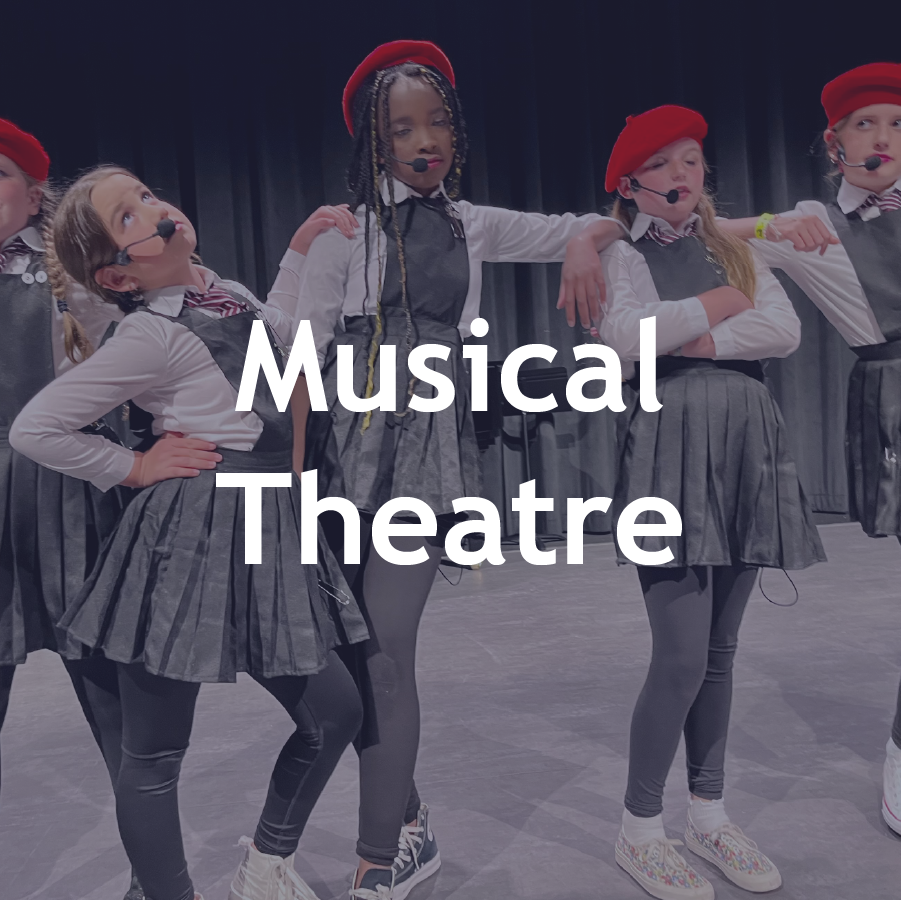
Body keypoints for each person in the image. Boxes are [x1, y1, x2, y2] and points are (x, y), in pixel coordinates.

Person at [267, 39, 627, 900]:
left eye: (436, 123)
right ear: (373, 142)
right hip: (340, 454)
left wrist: (588, 244)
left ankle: (376, 858)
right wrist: (285, 485)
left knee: (387, 651)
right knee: (343, 657)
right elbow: (290, 355)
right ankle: (411, 819)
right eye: (401, 128)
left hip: (427, 447)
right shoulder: (341, 233)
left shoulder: (473, 224)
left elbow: (595, 222)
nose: (422, 141)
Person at [10, 165, 370, 900]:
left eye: (146, 195)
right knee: (154, 753)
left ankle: (267, 864)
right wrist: (134, 466)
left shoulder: (225, 293)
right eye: (130, 214)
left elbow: (282, 332)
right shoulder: (147, 335)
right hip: (188, 537)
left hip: (267, 527)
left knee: (334, 711)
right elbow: (35, 427)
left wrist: (298, 253)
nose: (155, 207)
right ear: (116, 273)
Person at [593, 104, 825, 899]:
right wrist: (722, 308)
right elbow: (622, 339)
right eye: (661, 164)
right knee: (681, 653)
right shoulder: (618, 254)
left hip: (742, 441)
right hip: (669, 447)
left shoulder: (729, 245)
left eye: (690, 159)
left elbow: (784, 331)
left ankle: (709, 814)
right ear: (630, 184)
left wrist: (693, 333)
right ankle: (639, 826)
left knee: (720, 654)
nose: (681, 175)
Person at [720, 62, 901, 839]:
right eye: (865, 124)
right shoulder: (810, 222)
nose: (883, 138)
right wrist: (760, 228)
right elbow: (708, 231)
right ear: (834, 143)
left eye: (896, 123)